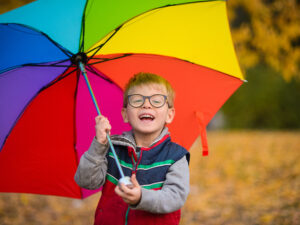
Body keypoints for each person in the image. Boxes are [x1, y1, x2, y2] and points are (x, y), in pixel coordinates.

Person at [74, 72, 190, 225]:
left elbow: (174, 197)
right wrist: (99, 144)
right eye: (136, 100)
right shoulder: (112, 149)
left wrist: (141, 197)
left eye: (156, 101)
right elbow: (86, 181)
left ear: (169, 114)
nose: (146, 105)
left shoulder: (175, 156)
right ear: (125, 114)